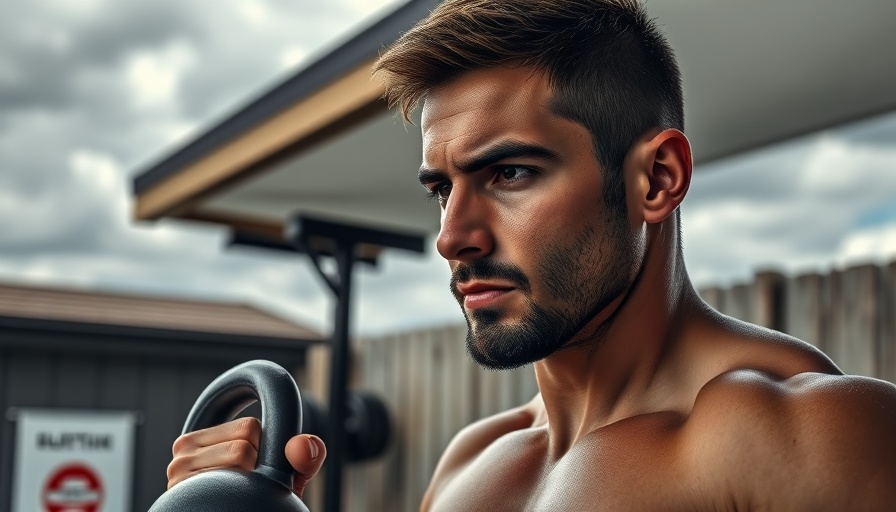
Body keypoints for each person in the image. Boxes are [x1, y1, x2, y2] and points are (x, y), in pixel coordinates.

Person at [167, 0, 896, 509]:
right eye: (441, 190)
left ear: (656, 179)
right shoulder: (469, 467)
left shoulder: (809, 438)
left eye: (509, 173)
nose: (453, 235)